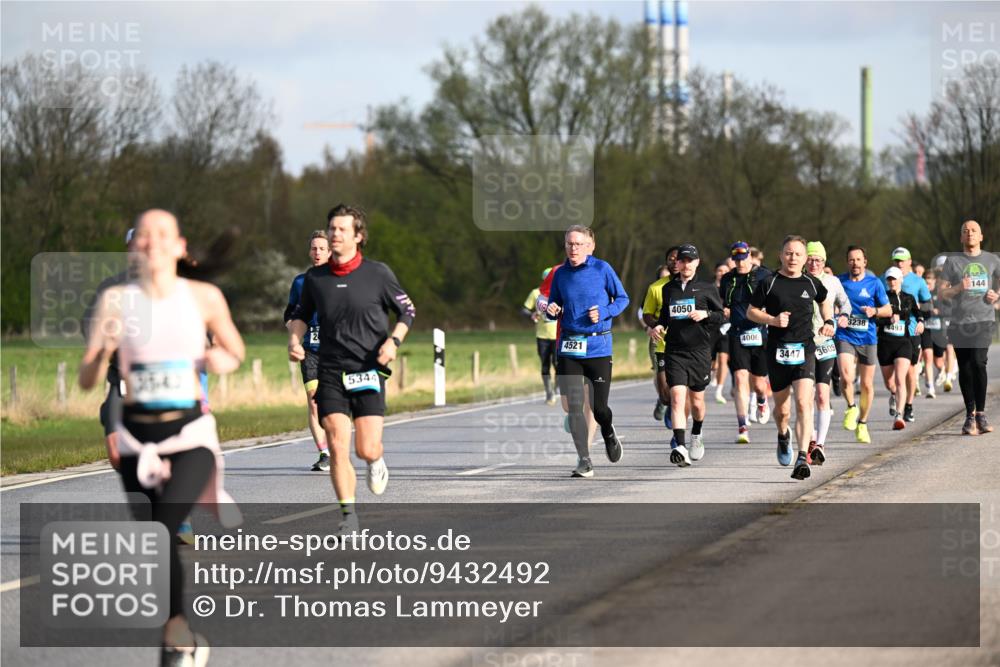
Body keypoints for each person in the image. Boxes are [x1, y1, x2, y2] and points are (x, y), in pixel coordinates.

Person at [79, 209, 245, 666]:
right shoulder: (114, 301)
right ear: (134, 247)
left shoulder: (204, 297)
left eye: (162, 234)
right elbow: (87, 377)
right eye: (143, 235)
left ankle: (172, 643)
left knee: (168, 525)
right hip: (138, 438)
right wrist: (104, 352)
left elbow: (235, 351)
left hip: (191, 432)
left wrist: (214, 361)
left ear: (178, 245)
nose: (151, 242)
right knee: (154, 539)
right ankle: (179, 630)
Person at [288, 204, 415, 528]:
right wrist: (294, 340)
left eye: (342, 229)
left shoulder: (378, 274)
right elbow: (300, 315)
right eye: (332, 228)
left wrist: (394, 342)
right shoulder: (315, 279)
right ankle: (349, 516)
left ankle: (375, 460)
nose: (335, 234)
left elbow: (406, 312)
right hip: (330, 369)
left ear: (358, 236)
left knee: (366, 447)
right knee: (336, 440)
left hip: (368, 368)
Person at [546, 225, 629, 478]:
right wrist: (552, 309)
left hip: (598, 346)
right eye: (569, 244)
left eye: (578, 244)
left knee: (599, 407)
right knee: (574, 407)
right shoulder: (560, 274)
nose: (573, 248)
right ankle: (584, 459)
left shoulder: (602, 269)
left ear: (589, 246)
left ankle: (608, 430)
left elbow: (622, 299)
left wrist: (604, 312)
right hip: (570, 346)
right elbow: (555, 301)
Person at [748, 235, 834, 481]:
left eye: (798, 254)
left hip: (805, 349)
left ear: (805, 258)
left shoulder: (811, 282)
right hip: (777, 352)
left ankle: (802, 457)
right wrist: (772, 320)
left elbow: (825, 301)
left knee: (804, 403)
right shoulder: (769, 282)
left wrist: (828, 321)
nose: (793, 258)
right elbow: (751, 311)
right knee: (783, 411)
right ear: (781, 255)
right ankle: (783, 434)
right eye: (788, 253)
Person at [652, 244, 725, 466]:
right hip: (675, 351)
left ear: (697, 263)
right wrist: (658, 326)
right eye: (682, 261)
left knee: (697, 401)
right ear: (677, 263)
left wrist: (706, 314)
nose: (685, 265)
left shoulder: (707, 288)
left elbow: (721, 315)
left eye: (689, 261)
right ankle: (680, 446)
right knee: (676, 398)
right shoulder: (669, 289)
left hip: (700, 352)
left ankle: (696, 433)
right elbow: (665, 315)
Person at [937, 220, 1000, 435]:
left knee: (978, 362)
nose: (970, 233)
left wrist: (997, 295)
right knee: (964, 368)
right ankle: (969, 415)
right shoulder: (952, 262)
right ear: (961, 238)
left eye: (974, 231)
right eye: (965, 231)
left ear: (981, 236)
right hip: (959, 323)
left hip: (984, 320)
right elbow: (941, 293)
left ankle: (981, 414)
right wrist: (958, 288)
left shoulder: (992, 260)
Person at [285, 230, 332, 471]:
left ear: (330, 252)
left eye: (322, 248)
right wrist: (294, 336)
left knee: (335, 404)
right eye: (314, 248)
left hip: (335, 350)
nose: (317, 252)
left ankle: (338, 445)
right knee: (314, 403)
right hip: (310, 351)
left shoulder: (337, 279)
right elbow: (290, 313)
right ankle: (324, 453)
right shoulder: (300, 282)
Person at [835, 246, 891, 444]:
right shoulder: (839, 281)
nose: (855, 263)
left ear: (865, 262)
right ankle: (851, 406)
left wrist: (874, 311)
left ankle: (863, 423)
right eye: (851, 260)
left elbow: (888, 309)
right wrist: (836, 315)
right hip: (845, 334)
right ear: (847, 262)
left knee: (867, 384)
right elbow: (829, 302)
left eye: (858, 260)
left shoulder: (874, 283)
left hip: (867, 337)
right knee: (846, 376)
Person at [720, 241, 772, 444]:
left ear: (750, 257)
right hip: (737, 334)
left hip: (760, 333)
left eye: (743, 258)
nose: (740, 262)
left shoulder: (764, 275)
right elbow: (724, 302)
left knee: (759, 384)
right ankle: (742, 426)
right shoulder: (727, 279)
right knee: (741, 378)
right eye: (736, 259)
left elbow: (774, 299)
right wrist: (724, 310)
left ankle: (761, 400)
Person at [805, 242, 850, 465]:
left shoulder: (832, 282)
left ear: (824, 262)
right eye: (810, 259)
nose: (814, 264)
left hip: (825, 343)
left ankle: (820, 444)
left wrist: (843, 317)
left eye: (818, 260)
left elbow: (845, 304)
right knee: (805, 397)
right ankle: (811, 437)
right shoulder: (798, 282)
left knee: (822, 395)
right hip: (802, 345)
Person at [887, 247, 931, 422]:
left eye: (902, 260)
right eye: (896, 261)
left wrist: (921, 322)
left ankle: (909, 405)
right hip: (890, 332)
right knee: (890, 377)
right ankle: (894, 393)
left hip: (912, 331)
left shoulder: (918, 281)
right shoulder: (887, 278)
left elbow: (927, 307)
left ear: (909, 262)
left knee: (911, 372)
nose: (899, 264)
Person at [878, 267, 922, 431]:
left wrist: (921, 322)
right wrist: (887, 320)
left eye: (895, 279)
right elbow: (875, 319)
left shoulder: (908, 298)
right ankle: (894, 395)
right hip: (885, 343)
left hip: (903, 342)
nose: (892, 282)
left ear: (901, 280)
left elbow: (919, 313)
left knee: (900, 379)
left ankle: (899, 414)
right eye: (889, 279)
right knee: (890, 383)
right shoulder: (882, 298)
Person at [641, 260, 673, 421]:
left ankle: (673, 402)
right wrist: (650, 327)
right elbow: (643, 313)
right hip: (657, 338)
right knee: (659, 373)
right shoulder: (654, 290)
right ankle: (663, 397)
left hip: (677, 340)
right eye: (663, 276)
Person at [522, 268, 559, 405]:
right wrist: (532, 315)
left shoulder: (560, 293)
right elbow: (524, 309)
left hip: (557, 335)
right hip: (542, 336)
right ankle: (549, 394)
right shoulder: (536, 293)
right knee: (545, 365)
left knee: (558, 365)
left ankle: (555, 390)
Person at [921, 269, 948, 397]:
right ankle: (930, 388)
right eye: (925, 282)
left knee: (938, 361)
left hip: (939, 330)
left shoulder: (941, 294)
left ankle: (942, 370)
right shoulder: (921, 295)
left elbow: (949, 310)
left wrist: (939, 311)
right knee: (927, 357)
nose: (927, 285)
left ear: (934, 281)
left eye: (929, 282)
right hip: (926, 330)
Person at [709, 261, 732, 405]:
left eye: (725, 270)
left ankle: (719, 390)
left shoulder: (731, 288)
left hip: (725, 327)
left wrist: (730, 311)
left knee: (724, 359)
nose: (722, 273)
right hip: (710, 327)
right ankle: (712, 374)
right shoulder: (709, 289)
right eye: (719, 270)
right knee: (710, 362)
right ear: (715, 272)